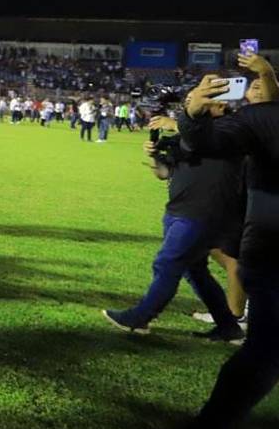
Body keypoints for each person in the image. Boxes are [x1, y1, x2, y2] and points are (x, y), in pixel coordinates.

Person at [174, 70, 279, 429]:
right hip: (272, 255)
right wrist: (192, 112)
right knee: (265, 353)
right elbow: (205, 140)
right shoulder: (265, 118)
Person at [101, 105, 244, 342]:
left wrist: (173, 124)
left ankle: (140, 318)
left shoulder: (231, 127)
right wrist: (155, 155)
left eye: (198, 99)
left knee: (168, 262)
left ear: (220, 104)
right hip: (180, 209)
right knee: (195, 271)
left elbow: (204, 136)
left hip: (201, 213)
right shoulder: (186, 136)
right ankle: (228, 326)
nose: (192, 104)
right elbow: (164, 173)